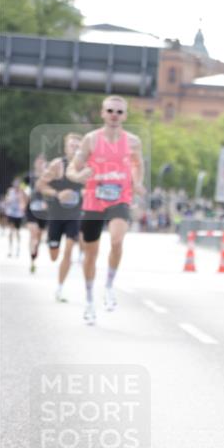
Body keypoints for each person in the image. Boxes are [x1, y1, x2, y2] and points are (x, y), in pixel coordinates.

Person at [66, 95, 144, 326]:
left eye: (119, 112)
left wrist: (136, 182)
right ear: (103, 113)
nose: (114, 115)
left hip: (120, 198)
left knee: (117, 241)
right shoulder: (90, 140)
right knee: (90, 253)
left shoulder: (133, 142)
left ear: (125, 116)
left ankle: (109, 285)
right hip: (93, 201)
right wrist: (78, 176)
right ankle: (89, 298)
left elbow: (138, 164)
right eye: (110, 110)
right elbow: (73, 168)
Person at [37, 133, 83, 303]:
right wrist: (58, 194)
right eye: (72, 145)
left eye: (79, 146)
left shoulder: (85, 168)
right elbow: (40, 185)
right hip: (56, 216)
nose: (76, 149)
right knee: (54, 255)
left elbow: (94, 187)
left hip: (74, 216)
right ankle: (52, 247)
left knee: (69, 250)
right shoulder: (58, 165)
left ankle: (60, 288)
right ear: (66, 148)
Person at [25, 156, 49, 273]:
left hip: (43, 212)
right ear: (35, 164)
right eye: (38, 162)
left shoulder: (49, 178)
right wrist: (23, 200)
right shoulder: (29, 177)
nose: (40, 164)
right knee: (33, 233)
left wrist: (48, 201)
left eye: (42, 163)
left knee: (38, 236)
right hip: (31, 209)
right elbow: (22, 189)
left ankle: (34, 254)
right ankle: (32, 260)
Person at [4, 179, 28, 257]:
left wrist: (23, 207)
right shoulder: (10, 191)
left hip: (18, 214)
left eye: (18, 184)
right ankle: (10, 249)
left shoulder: (22, 192)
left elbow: (26, 201)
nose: (16, 185)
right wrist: (9, 200)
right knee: (11, 231)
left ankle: (18, 248)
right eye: (15, 184)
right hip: (11, 213)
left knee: (17, 232)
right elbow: (6, 199)